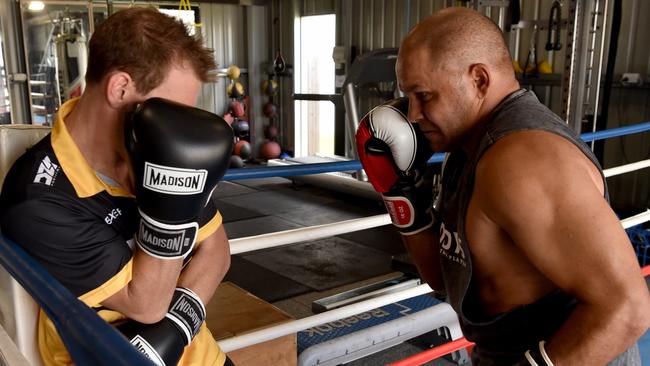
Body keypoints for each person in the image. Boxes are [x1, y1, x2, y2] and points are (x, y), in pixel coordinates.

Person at [357, 7, 650, 366]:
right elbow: (443, 278)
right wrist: (400, 194)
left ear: (479, 80)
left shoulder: (522, 160)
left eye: (425, 96)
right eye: (409, 97)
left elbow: (627, 308)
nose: (413, 114)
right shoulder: (466, 147)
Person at [0, 8, 235, 366]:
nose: (179, 126)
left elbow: (216, 250)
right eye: (171, 109)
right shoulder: (39, 198)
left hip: (202, 355)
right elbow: (145, 303)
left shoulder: (153, 152)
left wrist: (177, 327)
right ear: (121, 88)